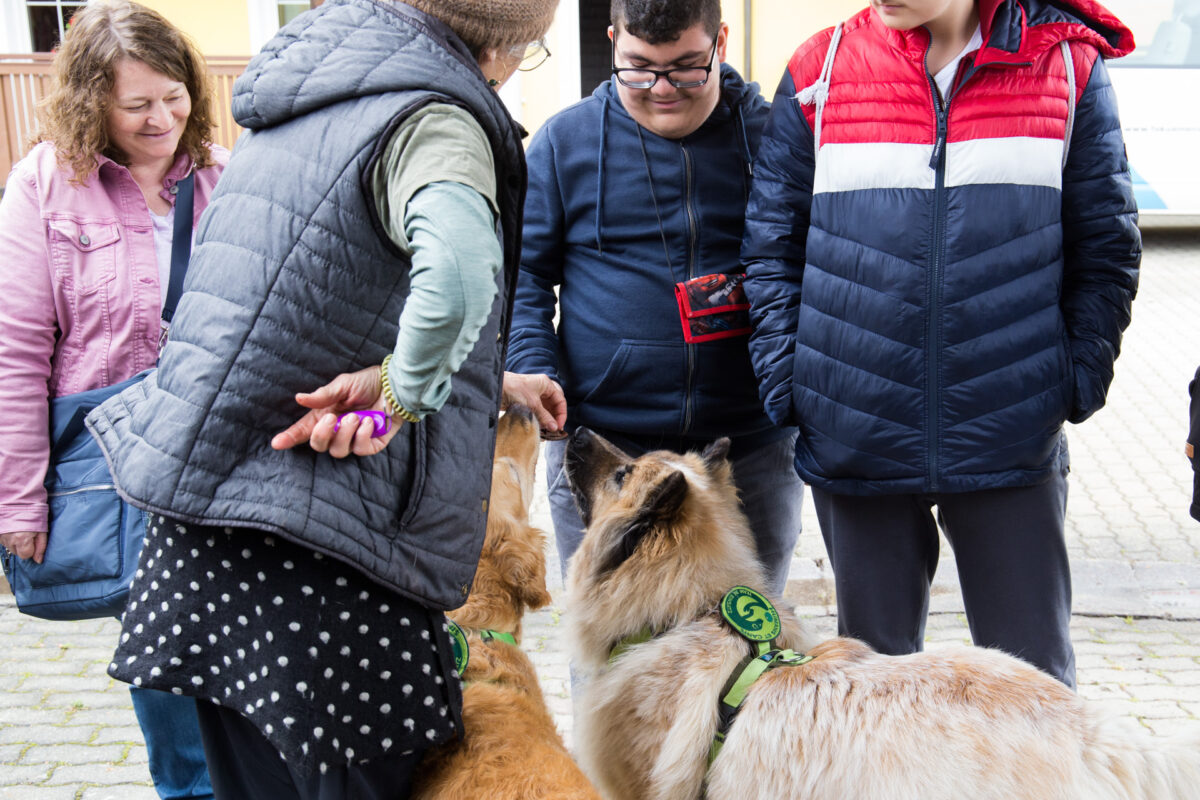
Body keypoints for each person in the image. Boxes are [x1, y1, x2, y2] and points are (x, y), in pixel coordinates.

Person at [84, 0, 557, 795]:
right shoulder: (433, 115)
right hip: (320, 558)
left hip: (203, 542)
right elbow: (458, 276)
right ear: (502, 47)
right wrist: (402, 394)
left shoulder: (308, 89)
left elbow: (312, 293)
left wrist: (459, 379)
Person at [741, 0, 1141, 688]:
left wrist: (1073, 380)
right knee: (877, 698)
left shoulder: (1067, 68)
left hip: (1010, 433)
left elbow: (1106, 243)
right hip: (856, 432)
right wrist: (791, 381)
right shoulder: (821, 68)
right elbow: (771, 244)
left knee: (1034, 694)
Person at [503, 0, 805, 598]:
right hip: (605, 453)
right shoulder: (565, 143)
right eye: (638, 68)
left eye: (687, 67)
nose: (662, 89)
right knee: (612, 641)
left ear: (720, 42)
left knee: (743, 638)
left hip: (748, 450)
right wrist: (535, 366)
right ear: (612, 42)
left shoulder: (775, 137)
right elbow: (522, 276)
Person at [0, 3, 224, 797]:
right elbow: (16, 351)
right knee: (163, 656)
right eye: (136, 105)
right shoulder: (43, 186)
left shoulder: (227, 178)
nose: (161, 119)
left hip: (222, 459)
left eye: (173, 97)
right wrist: (19, 499)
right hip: (119, 469)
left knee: (241, 661)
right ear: (93, 103)